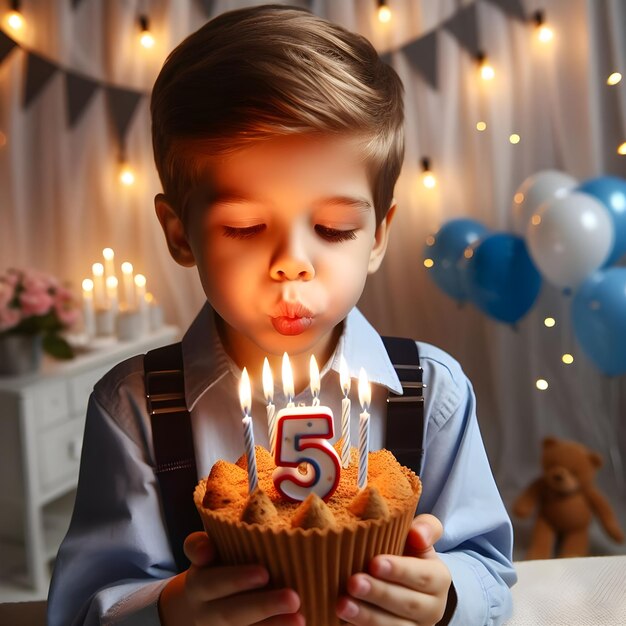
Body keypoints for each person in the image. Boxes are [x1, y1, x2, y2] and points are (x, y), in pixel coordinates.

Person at [47, 5, 516, 625]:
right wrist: (170, 611)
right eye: (243, 227)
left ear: (378, 235)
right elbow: (85, 604)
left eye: (333, 227)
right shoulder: (135, 408)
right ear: (180, 233)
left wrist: (446, 593)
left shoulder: (432, 392)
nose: (292, 263)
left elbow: (490, 569)